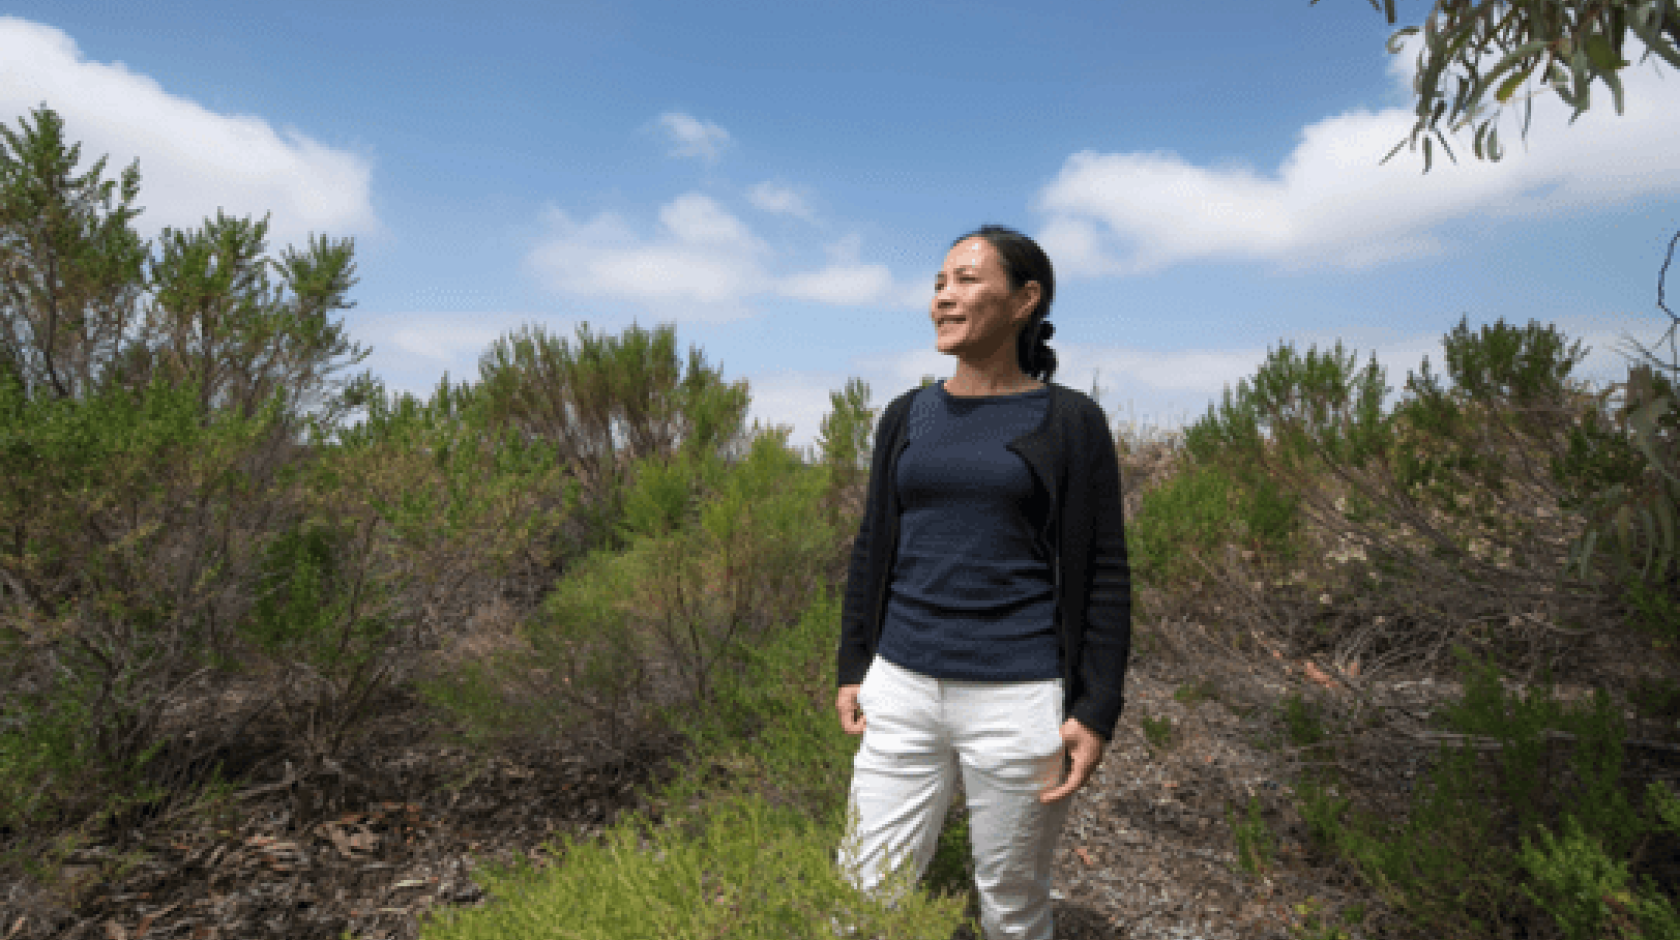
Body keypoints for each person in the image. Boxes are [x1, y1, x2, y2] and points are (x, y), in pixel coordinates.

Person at [832, 225, 1132, 940]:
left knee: (1012, 903)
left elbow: (1106, 575)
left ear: (1025, 299)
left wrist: (1095, 711)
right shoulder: (909, 414)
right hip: (901, 688)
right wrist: (854, 666)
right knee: (862, 896)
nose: (944, 296)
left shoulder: (1069, 421)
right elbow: (873, 545)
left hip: (1019, 698)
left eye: (966, 279)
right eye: (939, 282)